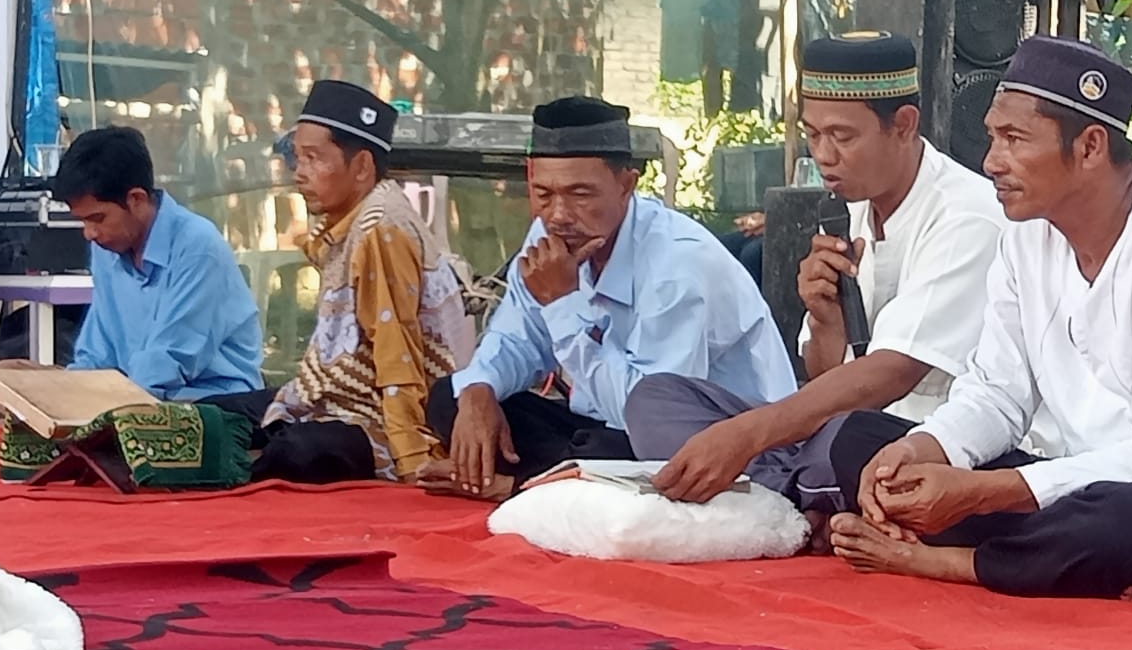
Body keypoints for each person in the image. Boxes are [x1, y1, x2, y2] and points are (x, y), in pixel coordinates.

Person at [826, 35, 1132, 601]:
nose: (991, 162)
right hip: (1072, 479)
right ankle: (1062, 565)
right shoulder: (1025, 236)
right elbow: (997, 394)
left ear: (1090, 147)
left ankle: (946, 562)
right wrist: (926, 450)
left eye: (1014, 139)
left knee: (1119, 521)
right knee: (862, 441)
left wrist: (983, 492)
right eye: (992, 137)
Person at [626, 33, 1004, 522]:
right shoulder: (849, 209)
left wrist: (747, 436)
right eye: (813, 134)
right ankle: (797, 494)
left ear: (903, 125)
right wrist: (826, 321)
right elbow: (825, 375)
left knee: (842, 440)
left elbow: (890, 375)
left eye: (842, 137)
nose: (823, 154)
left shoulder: (968, 217)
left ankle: (779, 493)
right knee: (656, 400)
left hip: (918, 444)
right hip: (836, 434)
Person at [421, 95, 795, 501]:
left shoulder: (679, 264)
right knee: (453, 398)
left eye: (580, 194)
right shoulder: (551, 235)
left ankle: (520, 486)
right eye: (543, 194)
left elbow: (649, 418)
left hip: (707, 440)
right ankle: (553, 482)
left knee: (611, 448)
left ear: (626, 186)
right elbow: (516, 340)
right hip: (601, 422)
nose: (558, 214)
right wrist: (479, 390)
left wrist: (562, 306)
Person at [210, 81, 474, 483]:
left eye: (313, 158)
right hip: (332, 401)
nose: (299, 173)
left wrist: (412, 462)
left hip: (380, 419)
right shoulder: (354, 219)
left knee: (298, 452)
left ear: (362, 166)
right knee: (215, 413)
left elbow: (398, 355)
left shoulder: (380, 228)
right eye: (297, 158)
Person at [47, 126, 263, 400]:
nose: (89, 233)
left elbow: (168, 360)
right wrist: (64, 394)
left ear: (136, 199)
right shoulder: (105, 249)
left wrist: (103, 406)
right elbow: (96, 355)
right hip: (140, 398)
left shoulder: (198, 247)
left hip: (215, 403)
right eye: (82, 221)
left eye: (97, 218)